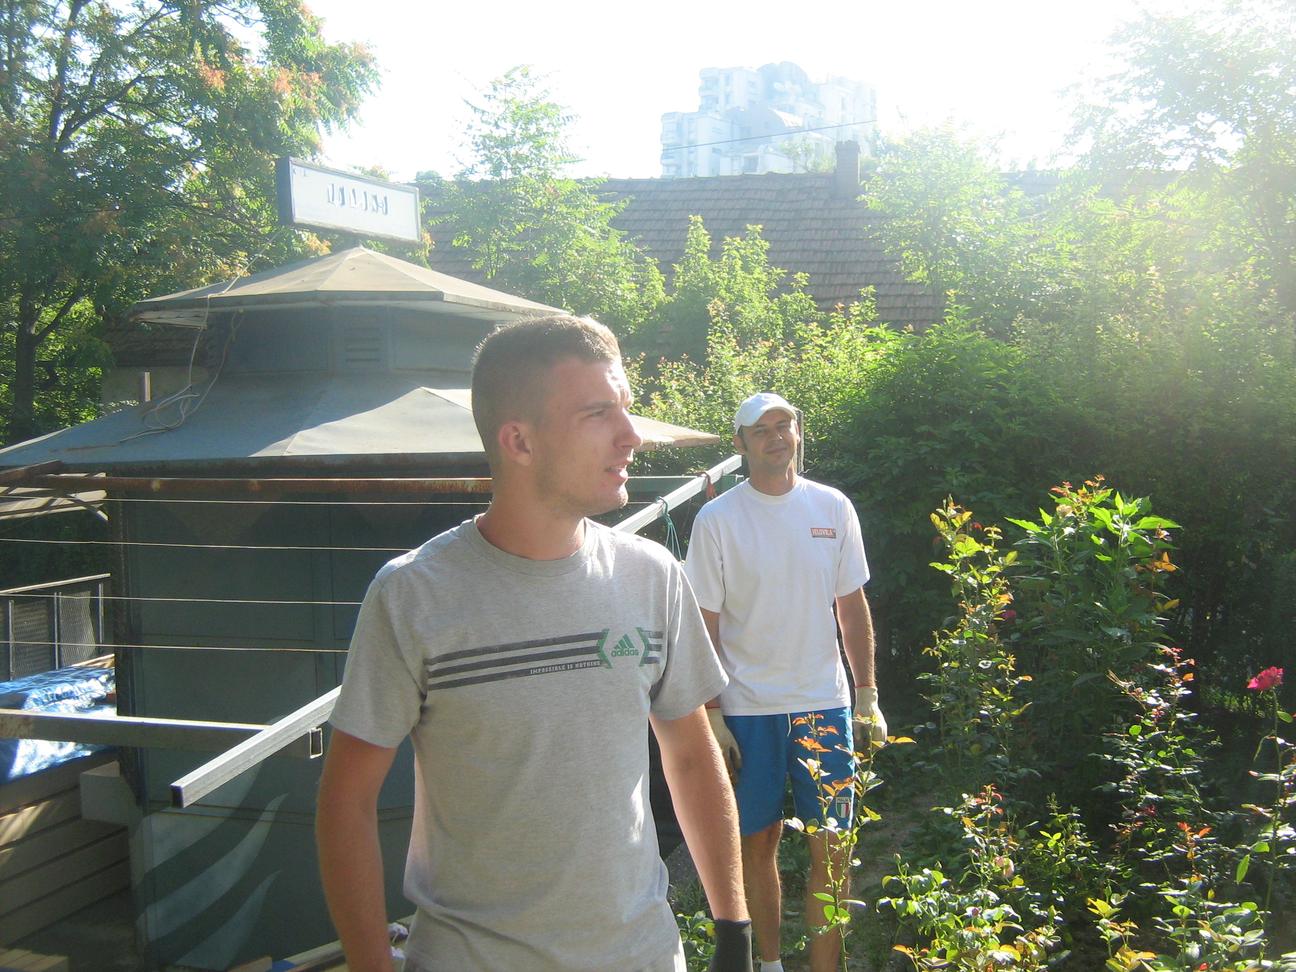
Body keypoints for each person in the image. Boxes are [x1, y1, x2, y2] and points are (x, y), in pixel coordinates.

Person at [316, 315, 753, 972]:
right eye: (598, 413)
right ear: (519, 441)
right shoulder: (414, 596)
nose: (631, 435)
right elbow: (346, 803)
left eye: (625, 407)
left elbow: (691, 757)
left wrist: (734, 932)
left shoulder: (651, 576)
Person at [683, 392, 887, 972]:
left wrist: (867, 697)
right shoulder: (718, 520)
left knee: (834, 848)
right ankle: (768, 964)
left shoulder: (832, 506)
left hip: (825, 704)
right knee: (757, 843)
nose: (776, 437)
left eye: (784, 425)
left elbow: (852, 606)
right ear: (741, 443)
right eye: (761, 430)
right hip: (747, 709)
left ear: (798, 432)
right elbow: (704, 623)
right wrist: (713, 713)